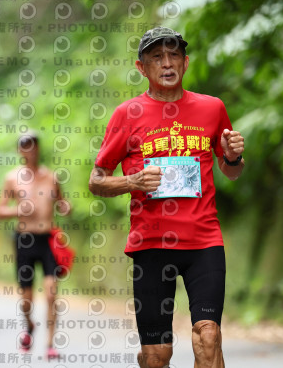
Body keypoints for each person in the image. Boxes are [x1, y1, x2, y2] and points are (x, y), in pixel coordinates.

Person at [89, 27, 245, 368]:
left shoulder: (212, 108)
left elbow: (230, 170)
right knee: (156, 356)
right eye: (157, 57)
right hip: (151, 245)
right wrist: (133, 181)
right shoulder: (126, 114)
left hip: (203, 241)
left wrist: (233, 157)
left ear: (185, 63)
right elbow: (96, 181)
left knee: (209, 336)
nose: (167, 63)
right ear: (141, 67)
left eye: (174, 55)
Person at [0, 132, 71, 360]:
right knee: (26, 298)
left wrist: (66, 207)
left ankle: (50, 344)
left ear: (38, 148)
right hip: (24, 240)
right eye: (24, 146)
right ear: (19, 150)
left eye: (32, 145)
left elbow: (62, 203)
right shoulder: (12, 178)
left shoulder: (51, 177)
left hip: (46, 240)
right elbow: (0, 210)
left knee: (51, 293)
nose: (29, 150)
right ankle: (29, 325)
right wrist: (18, 209)